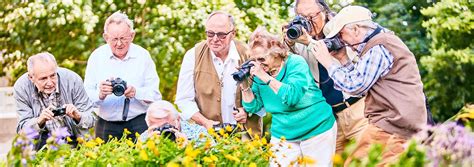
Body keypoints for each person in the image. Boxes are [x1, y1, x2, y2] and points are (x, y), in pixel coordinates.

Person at [310, 6, 427, 166]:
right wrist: (343, 59)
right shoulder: (382, 42)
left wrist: (327, 61)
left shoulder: (379, 46)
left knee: (356, 163)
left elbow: (355, 87)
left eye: (341, 34)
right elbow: (360, 80)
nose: (341, 41)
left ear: (356, 29)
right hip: (397, 123)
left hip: (391, 125)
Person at [241, 27, 336, 166]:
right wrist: (244, 86)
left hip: (317, 128)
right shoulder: (259, 74)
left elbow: (292, 97)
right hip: (284, 134)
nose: (258, 65)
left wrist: (265, 77)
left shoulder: (295, 63)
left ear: (276, 53)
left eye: (262, 59)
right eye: (254, 61)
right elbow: (253, 107)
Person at [284, 0, 368, 154]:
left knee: (367, 160)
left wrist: (308, 41)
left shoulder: (342, 28)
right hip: (328, 118)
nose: (307, 22)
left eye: (311, 16)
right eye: (302, 17)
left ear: (324, 12)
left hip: (357, 111)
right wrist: (287, 43)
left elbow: (331, 50)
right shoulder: (300, 39)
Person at [175, 11, 263, 138]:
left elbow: (265, 94)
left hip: (246, 135)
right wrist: (205, 123)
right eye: (210, 34)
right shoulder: (192, 55)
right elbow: (183, 100)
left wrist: (248, 111)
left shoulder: (249, 54)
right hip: (205, 136)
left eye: (221, 35)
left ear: (233, 33)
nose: (215, 39)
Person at [84, 11, 162, 141]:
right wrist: (100, 94)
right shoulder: (96, 57)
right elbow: (85, 98)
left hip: (139, 122)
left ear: (132, 35)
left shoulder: (143, 56)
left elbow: (155, 95)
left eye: (123, 38)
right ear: (106, 37)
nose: (119, 44)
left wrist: (136, 92)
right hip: (105, 124)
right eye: (114, 39)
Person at [14, 52, 96, 150]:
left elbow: (92, 119)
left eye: (53, 76)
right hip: (42, 143)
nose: (50, 82)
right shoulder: (21, 87)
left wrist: (78, 116)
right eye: (43, 78)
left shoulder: (73, 80)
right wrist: (39, 121)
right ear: (31, 78)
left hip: (74, 138)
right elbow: (22, 129)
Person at [140, 100, 208, 144]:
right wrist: (149, 148)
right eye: (156, 129)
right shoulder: (145, 138)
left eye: (166, 126)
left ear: (178, 120)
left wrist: (188, 149)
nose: (162, 132)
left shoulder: (198, 133)